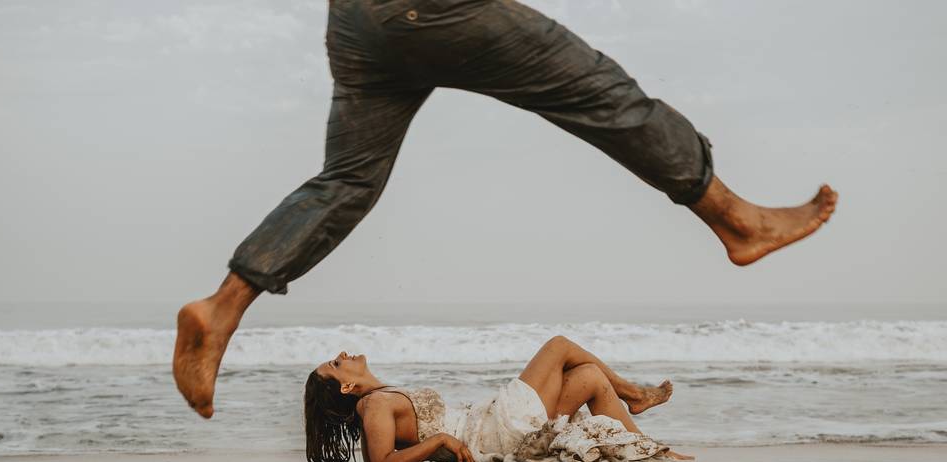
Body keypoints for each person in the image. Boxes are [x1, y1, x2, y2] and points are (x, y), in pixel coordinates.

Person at [174, 0, 838, 418]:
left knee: (349, 178)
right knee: (603, 94)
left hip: (354, 19)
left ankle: (223, 306)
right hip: (433, 10)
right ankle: (737, 219)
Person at [303, 335, 692, 462]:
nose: (343, 354)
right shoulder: (371, 406)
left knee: (589, 377)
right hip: (491, 433)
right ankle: (635, 395)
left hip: (489, 422)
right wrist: (438, 443)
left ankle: (657, 452)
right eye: (337, 364)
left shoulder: (380, 397)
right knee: (558, 346)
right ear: (346, 388)